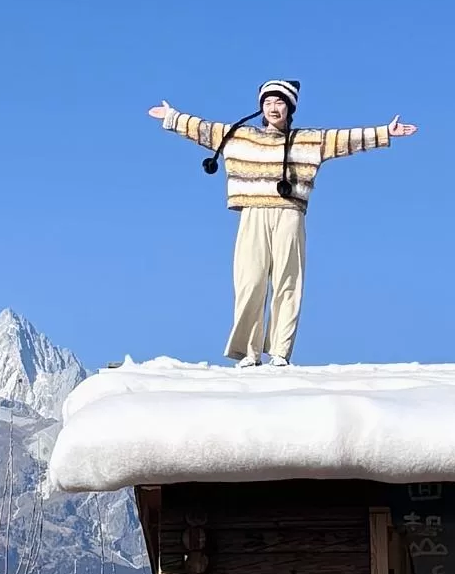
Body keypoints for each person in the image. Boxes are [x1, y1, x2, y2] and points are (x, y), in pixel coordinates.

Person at [148, 80, 417, 367]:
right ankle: (249, 353)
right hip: (252, 212)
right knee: (250, 281)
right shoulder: (239, 136)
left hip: (290, 213)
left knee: (289, 281)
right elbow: (204, 129)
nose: (273, 107)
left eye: (279, 102)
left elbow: (344, 140)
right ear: (261, 107)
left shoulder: (308, 140)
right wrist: (173, 118)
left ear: (290, 107)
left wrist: (385, 132)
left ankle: (280, 352)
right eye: (268, 102)